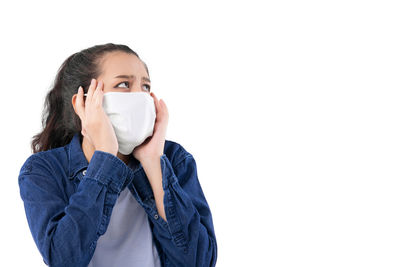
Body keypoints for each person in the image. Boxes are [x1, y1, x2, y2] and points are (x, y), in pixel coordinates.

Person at [18, 43, 217, 267]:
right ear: (83, 102)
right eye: (123, 84)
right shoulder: (42, 170)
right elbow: (64, 260)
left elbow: (199, 262)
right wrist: (105, 157)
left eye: (145, 86)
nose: (140, 96)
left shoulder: (174, 158)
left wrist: (154, 163)